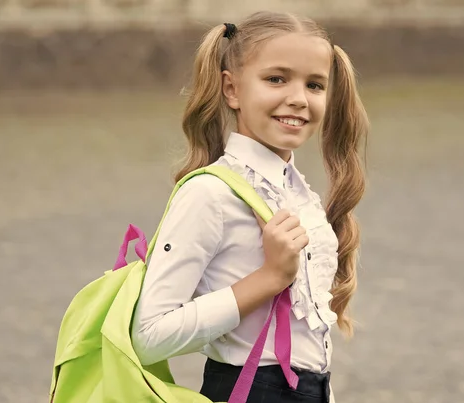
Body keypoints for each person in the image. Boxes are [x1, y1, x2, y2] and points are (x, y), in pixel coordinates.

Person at [131, 10, 368, 403]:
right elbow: (149, 336)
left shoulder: (298, 193)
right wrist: (269, 277)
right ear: (232, 89)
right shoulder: (210, 194)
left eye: (314, 85)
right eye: (276, 79)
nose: (297, 98)